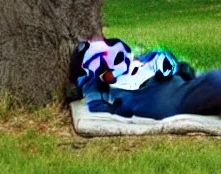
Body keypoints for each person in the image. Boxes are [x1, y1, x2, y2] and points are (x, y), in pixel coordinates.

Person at [69, 37, 221, 120]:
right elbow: (95, 104)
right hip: (151, 97)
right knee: (214, 80)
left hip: (170, 90)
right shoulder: (94, 82)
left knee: (211, 82)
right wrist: (120, 109)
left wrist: (182, 69)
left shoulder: (145, 58)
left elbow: (170, 63)